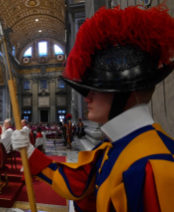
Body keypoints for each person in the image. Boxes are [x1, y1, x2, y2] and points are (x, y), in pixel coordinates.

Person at [12, 4, 174, 212]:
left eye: (96, 89)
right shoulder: (112, 146)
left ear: (125, 92)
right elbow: (78, 185)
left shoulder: (154, 168)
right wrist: (29, 150)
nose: (86, 98)